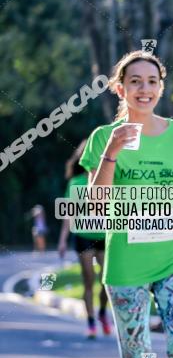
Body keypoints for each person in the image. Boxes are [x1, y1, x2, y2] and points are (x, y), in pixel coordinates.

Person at [81, 50, 173, 358]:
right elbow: (95, 203)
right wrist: (112, 151)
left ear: (160, 87)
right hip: (127, 264)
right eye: (135, 81)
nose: (143, 89)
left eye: (151, 81)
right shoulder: (102, 138)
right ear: (120, 88)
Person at [58, 140, 111, 338]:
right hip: (83, 236)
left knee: (106, 281)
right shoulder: (76, 182)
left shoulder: (109, 180)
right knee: (88, 281)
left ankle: (103, 313)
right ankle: (90, 322)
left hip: (105, 236)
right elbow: (68, 214)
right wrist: (63, 240)